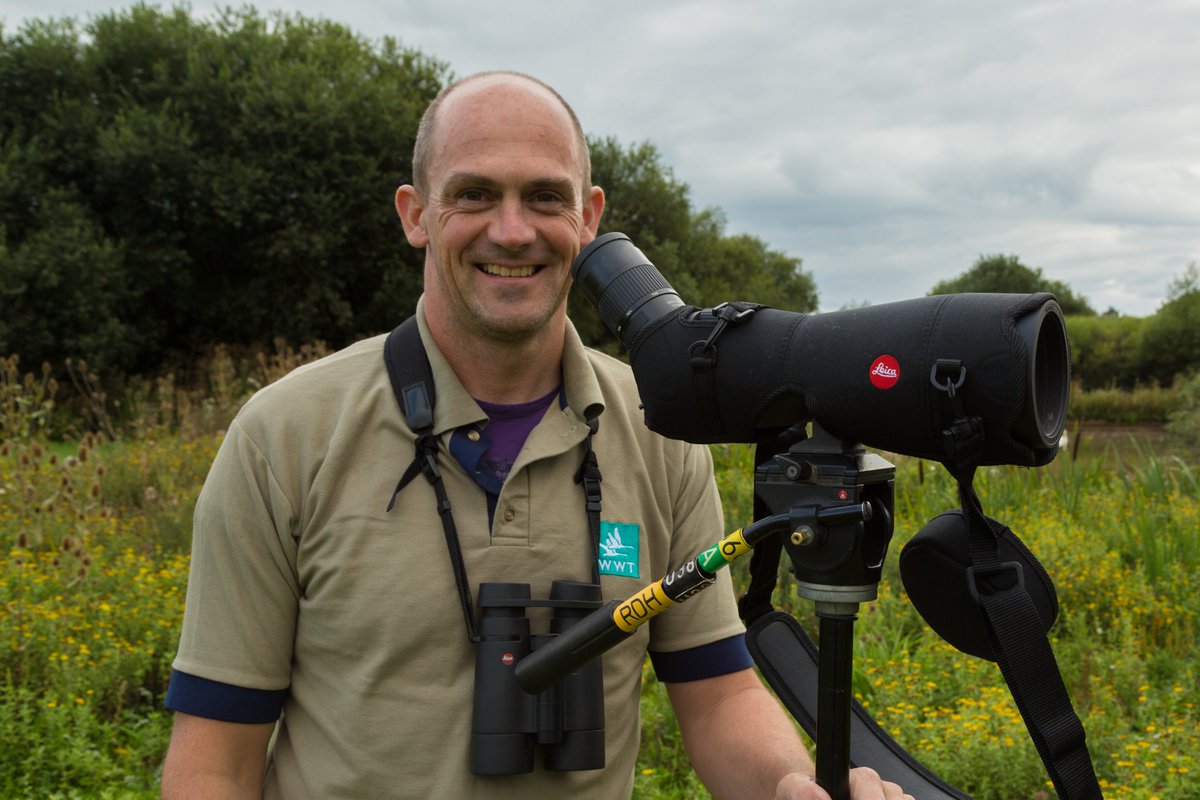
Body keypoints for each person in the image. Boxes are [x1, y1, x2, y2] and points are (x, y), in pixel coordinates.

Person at [160, 71, 910, 800]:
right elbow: (213, 764)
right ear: (415, 213)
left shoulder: (663, 432)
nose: (512, 231)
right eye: (475, 194)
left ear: (588, 218)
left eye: (544, 197)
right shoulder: (283, 436)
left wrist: (787, 785)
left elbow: (716, 694)